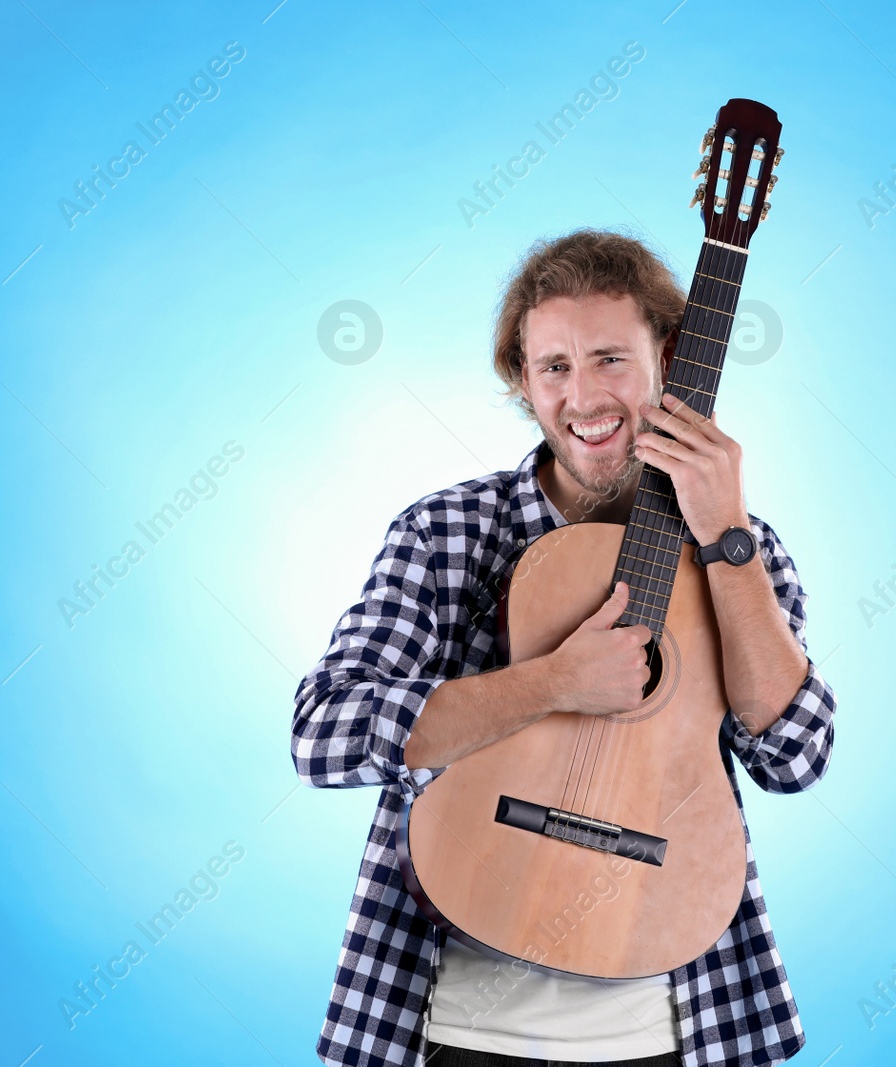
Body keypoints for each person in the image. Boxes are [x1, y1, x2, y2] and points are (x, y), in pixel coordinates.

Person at [292, 229, 837, 1067]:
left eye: (611, 359)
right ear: (522, 380)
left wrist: (726, 535)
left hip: (674, 1022)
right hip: (451, 1022)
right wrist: (551, 681)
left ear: (672, 361)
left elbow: (795, 756)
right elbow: (322, 735)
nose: (583, 397)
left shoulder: (738, 549)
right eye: (554, 367)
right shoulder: (448, 533)